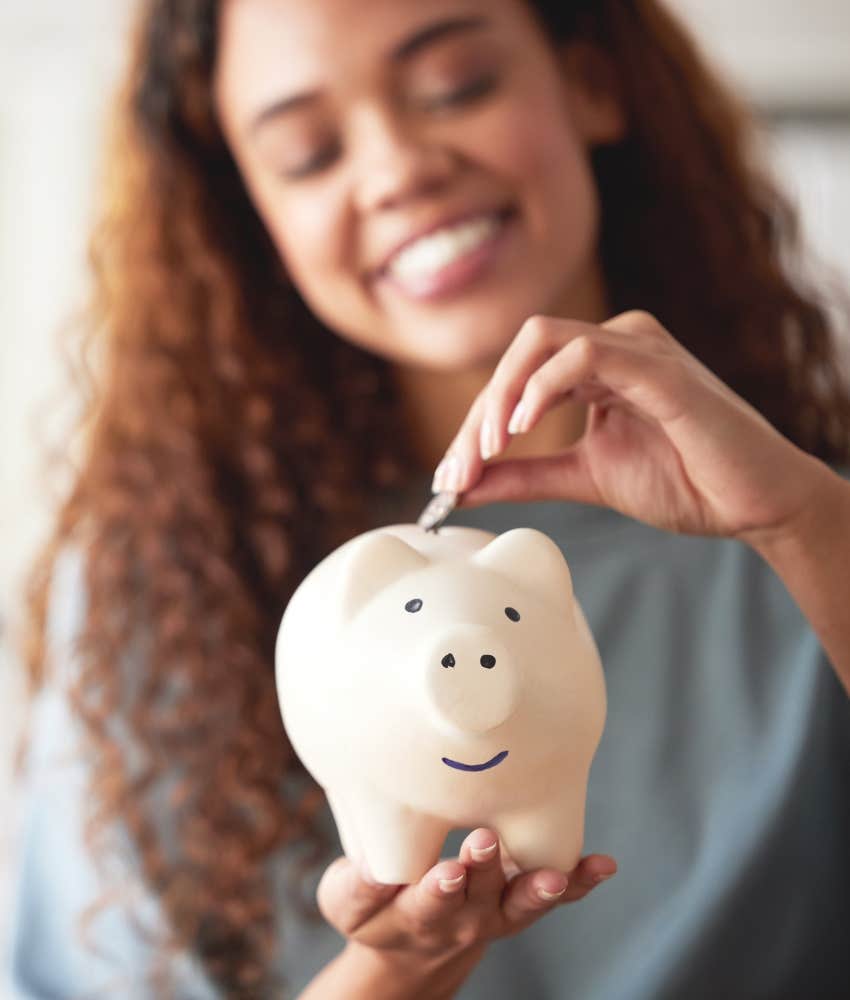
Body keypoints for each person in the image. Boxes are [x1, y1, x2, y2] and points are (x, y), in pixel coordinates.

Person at [6, 0, 850, 997]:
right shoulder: (161, 596)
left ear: (590, 84)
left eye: (457, 87)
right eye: (310, 153)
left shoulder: (807, 510)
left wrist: (801, 519)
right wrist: (391, 972)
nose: (397, 168)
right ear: (253, 215)